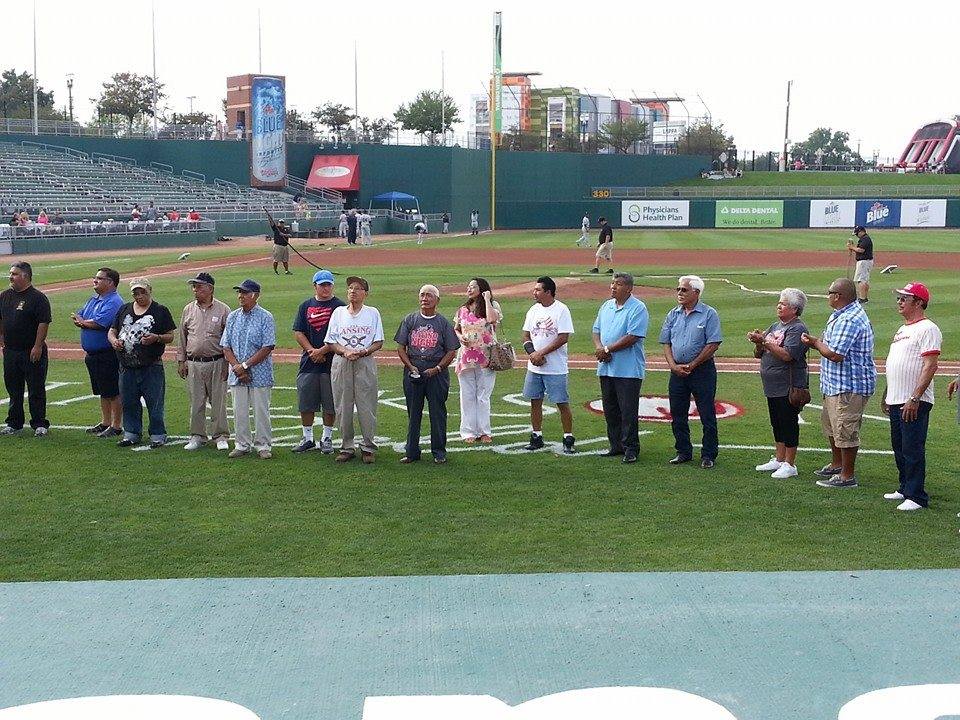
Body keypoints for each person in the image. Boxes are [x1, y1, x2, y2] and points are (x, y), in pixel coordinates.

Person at [801, 278, 876, 489]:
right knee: (833, 427)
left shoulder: (849, 319)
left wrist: (815, 343)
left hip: (849, 386)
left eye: (830, 292)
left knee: (846, 430)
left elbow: (835, 354)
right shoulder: (842, 314)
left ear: (838, 296)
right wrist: (817, 342)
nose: (828, 296)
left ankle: (847, 476)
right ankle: (837, 464)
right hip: (836, 383)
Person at [880, 282, 941, 511]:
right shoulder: (903, 329)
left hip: (914, 400)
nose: (900, 301)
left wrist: (915, 397)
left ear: (919, 303)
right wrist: (888, 393)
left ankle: (916, 496)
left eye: (905, 298)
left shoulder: (928, 328)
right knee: (899, 445)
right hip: (897, 397)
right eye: (900, 298)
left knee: (912, 447)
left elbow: (930, 365)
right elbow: (897, 364)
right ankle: (905, 486)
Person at [659, 275, 723, 468]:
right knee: (678, 413)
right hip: (677, 371)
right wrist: (673, 365)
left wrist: (693, 364)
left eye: (684, 290)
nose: (679, 293)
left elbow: (713, 344)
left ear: (696, 293)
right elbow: (666, 342)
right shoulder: (673, 314)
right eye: (678, 289)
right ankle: (683, 451)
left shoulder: (709, 314)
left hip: (702, 371)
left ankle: (708, 454)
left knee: (707, 413)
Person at [748, 288, 810, 479]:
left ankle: (790, 464)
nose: (779, 306)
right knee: (777, 423)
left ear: (794, 308)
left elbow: (788, 355)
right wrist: (759, 342)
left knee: (788, 423)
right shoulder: (775, 326)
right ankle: (779, 458)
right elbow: (759, 354)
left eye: (783, 303)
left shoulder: (798, 329)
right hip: (772, 385)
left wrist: (764, 341)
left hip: (788, 386)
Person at [108, 277, 176, 449]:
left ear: (149, 291)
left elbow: (170, 336)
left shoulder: (160, 311)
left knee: (154, 402)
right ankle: (131, 433)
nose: (139, 296)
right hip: (126, 366)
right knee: (129, 401)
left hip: (151, 365)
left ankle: (157, 434)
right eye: (136, 293)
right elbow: (112, 330)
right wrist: (114, 341)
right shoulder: (124, 309)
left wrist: (156, 338)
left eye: (142, 292)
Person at [395, 284, 459, 464]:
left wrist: (437, 368)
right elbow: (401, 347)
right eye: (422, 295)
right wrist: (410, 366)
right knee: (413, 412)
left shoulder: (443, 323)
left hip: (436, 372)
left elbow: (451, 350)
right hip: (413, 370)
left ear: (437, 300)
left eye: (429, 295)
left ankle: (439, 452)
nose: (425, 298)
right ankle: (412, 451)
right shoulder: (410, 320)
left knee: (437, 412)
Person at [325, 276, 384, 463]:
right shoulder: (338, 312)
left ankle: (368, 446)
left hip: (364, 361)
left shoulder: (372, 313)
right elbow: (331, 341)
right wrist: (345, 351)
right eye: (350, 288)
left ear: (365, 293)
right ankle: (346, 446)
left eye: (358, 288)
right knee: (343, 405)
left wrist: (363, 351)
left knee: (367, 404)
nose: (353, 291)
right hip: (342, 361)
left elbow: (378, 341)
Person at [592, 273, 648, 463]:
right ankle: (616, 445)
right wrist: (600, 348)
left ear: (629, 289)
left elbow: (633, 336)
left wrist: (607, 349)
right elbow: (596, 330)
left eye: (618, 284)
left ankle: (631, 448)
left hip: (628, 370)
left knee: (628, 411)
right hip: (607, 367)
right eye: (613, 283)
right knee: (610, 409)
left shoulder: (638, 308)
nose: (613, 287)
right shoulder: (606, 306)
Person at [291, 269, 346, 455]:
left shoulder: (340, 307)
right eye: (322, 285)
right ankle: (307, 438)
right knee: (306, 400)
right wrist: (311, 351)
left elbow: (341, 335)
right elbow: (299, 332)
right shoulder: (305, 306)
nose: (326, 288)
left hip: (332, 361)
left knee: (330, 402)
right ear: (315, 286)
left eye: (328, 284)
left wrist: (323, 350)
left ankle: (327, 437)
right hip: (309, 361)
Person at [221, 279, 276, 459]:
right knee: (239, 410)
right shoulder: (233, 316)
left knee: (261, 410)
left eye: (245, 293)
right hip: (237, 372)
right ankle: (242, 444)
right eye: (240, 293)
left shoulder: (265, 316)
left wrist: (244, 366)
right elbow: (226, 346)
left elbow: (267, 346)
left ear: (255, 295)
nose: (241, 296)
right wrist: (237, 367)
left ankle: (263, 445)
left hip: (259, 372)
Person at [522, 276, 577, 454]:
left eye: (538, 290)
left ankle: (568, 437)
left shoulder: (561, 310)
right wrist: (532, 354)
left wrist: (541, 353)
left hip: (555, 367)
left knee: (561, 402)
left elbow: (563, 337)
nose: (534, 292)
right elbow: (526, 336)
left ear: (548, 292)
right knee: (535, 401)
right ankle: (536, 435)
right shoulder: (533, 310)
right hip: (535, 366)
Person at [177, 272, 231, 451]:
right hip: (193, 362)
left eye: (199, 286)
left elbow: (228, 340)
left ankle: (220, 435)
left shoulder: (223, 310)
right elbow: (183, 337)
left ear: (210, 288)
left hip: (217, 361)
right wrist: (181, 360)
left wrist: (227, 363)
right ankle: (197, 435)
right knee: (196, 401)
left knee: (218, 401)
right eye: (194, 286)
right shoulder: (188, 309)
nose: (195, 290)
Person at [0, 262, 52, 437]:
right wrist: (2, 341)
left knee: (36, 388)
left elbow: (43, 323)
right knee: (13, 389)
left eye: (14, 273)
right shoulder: (4, 296)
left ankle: (39, 423)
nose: (11, 276)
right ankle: (14, 423)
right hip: (11, 351)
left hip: (31, 351)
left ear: (25, 276)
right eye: (11, 273)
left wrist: (37, 346)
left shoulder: (38, 298)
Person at [72, 267, 124, 437]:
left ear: (110, 282)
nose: (95, 280)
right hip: (93, 355)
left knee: (113, 390)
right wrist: (83, 321)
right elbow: (80, 315)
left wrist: (83, 322)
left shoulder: (114, 301)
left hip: (107, 353)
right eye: (95, 278)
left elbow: (100, 323)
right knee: (102, 390)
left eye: (99, 278)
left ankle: (116, 426)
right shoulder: (94, 300)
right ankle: (105, 422)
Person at [454, 277, 502, 443]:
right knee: (467, 395)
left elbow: (492, 320)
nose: (469, 289)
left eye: (473, 286)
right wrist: (461, 338)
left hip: (486, 356)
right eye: (468, 286)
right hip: (466, 356)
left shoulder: (492, 306)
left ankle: (484, 431)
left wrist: (487, 299)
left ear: (482, 289)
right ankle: (468, 432)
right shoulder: (463, 309)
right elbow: (456, 329)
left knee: (483, 395)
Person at [847, 225, 873, 304]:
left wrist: (851, 247)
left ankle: (862, 298)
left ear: (861, 231)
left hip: (863, 262)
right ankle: (864, 297)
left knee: (861, 280)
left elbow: (861, 250)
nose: (857, 235)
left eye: (857, 233)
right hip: (866, 261)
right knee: (865, 280)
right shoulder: (864, 239)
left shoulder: (865, 239)